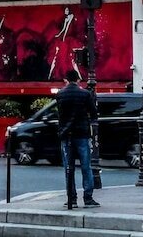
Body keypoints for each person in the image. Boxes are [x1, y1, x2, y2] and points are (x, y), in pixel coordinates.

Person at [55, 69, 99, 208]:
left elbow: (60, 115)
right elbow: (93, 113)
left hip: (66, 134)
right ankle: (88, 197)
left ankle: (71, 198)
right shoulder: (85, 94)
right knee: (86, 167)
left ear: (66, 80)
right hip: (81, 133)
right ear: (78, 80)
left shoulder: (60, 94)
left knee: (69, 168)